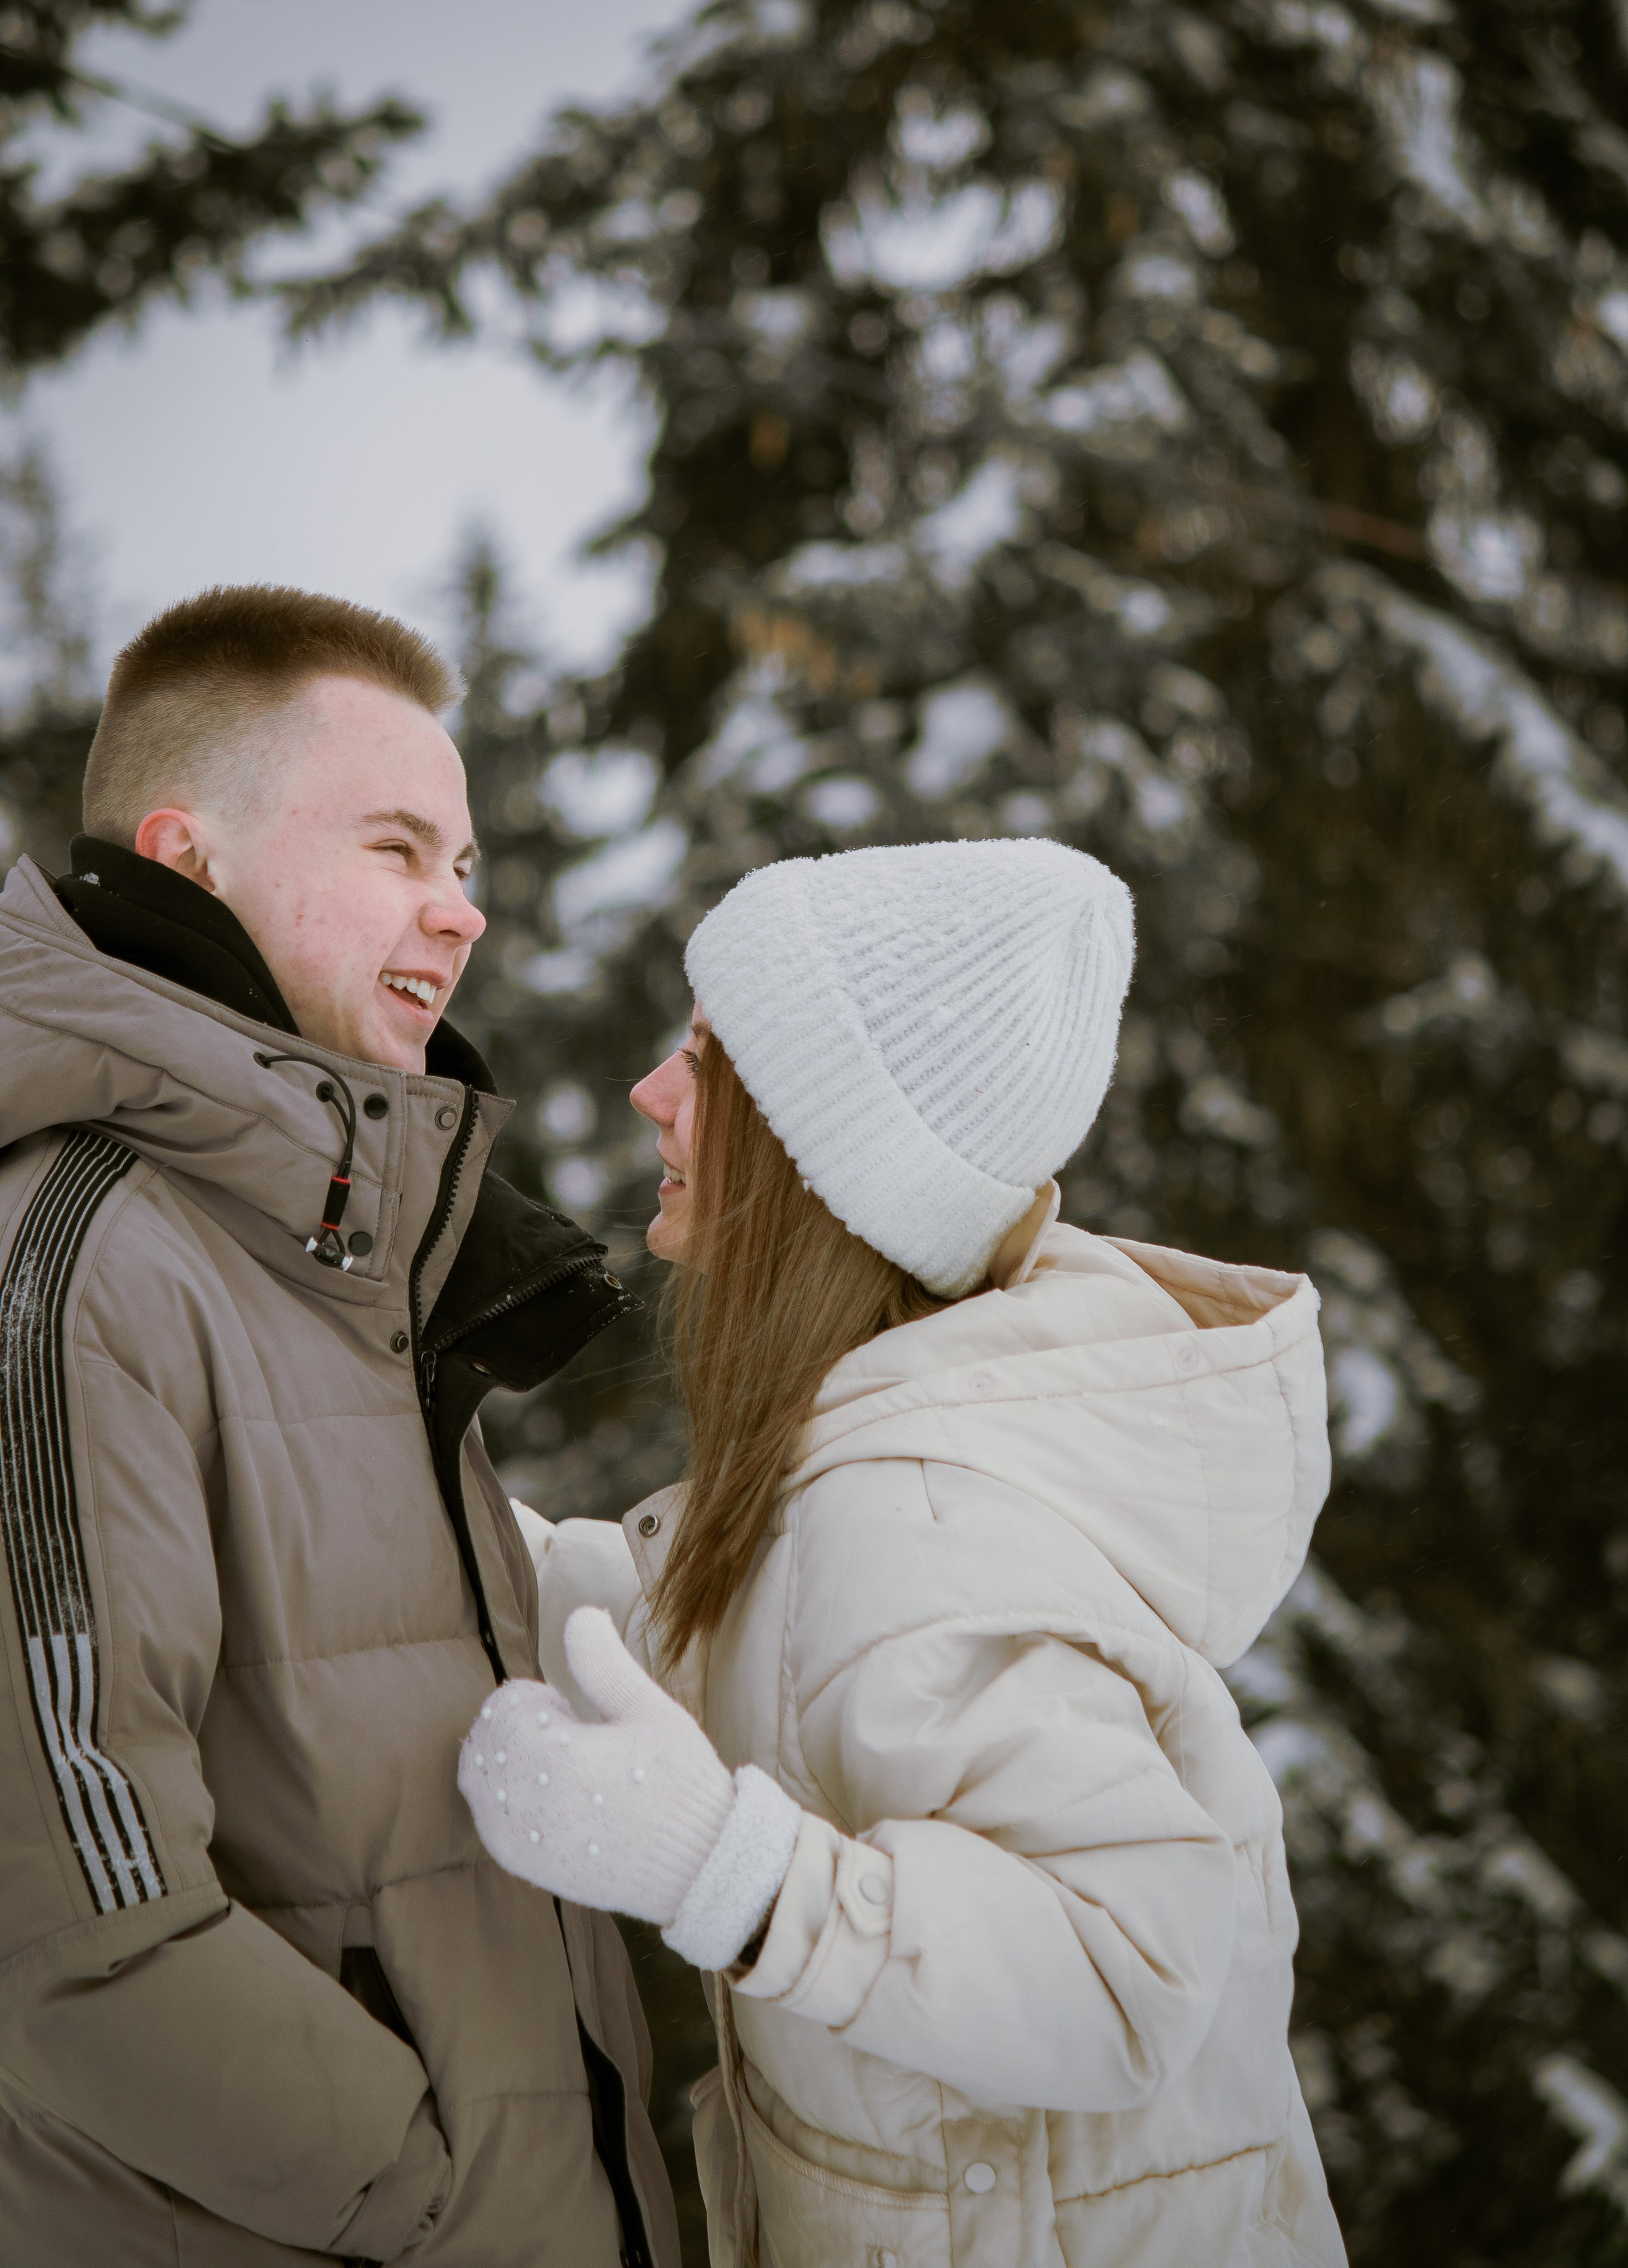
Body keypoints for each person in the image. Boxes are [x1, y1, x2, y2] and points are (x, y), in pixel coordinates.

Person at [462, 837, 1348, 2268]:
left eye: (703, 1064)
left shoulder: (919, 1522)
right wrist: (463, 1536)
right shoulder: (890, 1432)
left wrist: (729, 1873)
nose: (650, 1095)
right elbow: (796, 1670)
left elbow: (1131, 1972)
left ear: (819, 1162)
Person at [0, 588, 677, 2268]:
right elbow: (64, 1924)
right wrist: (447, 2202)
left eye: (467, 871)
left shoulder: (324, 1267)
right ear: (191, 854)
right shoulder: (88, 1263)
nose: (461, 918)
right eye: (399, 849)